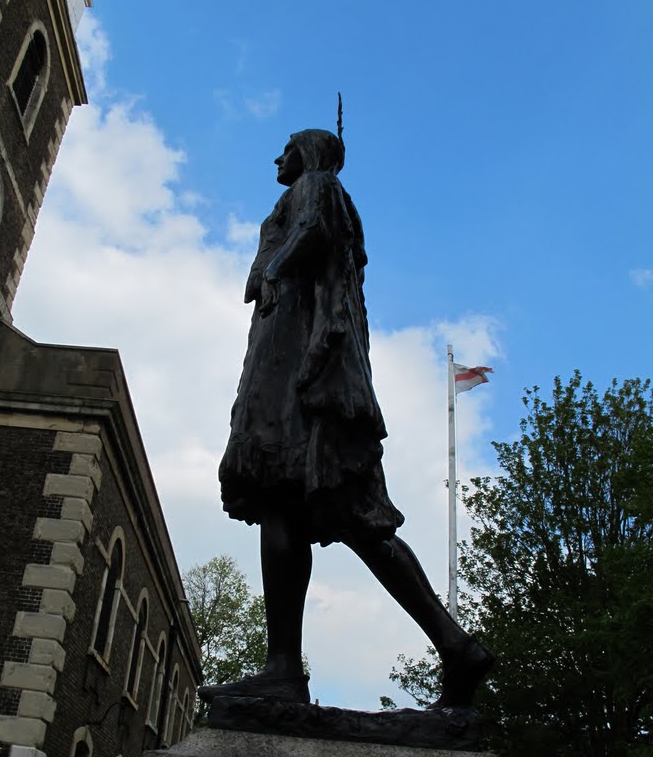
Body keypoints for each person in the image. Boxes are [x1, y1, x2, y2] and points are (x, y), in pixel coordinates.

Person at [200, 128, 493, 709]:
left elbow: (309, 236)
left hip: (304, 382)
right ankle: (287, 666)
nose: (276, 157)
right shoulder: (308, 191)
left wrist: (277, 269)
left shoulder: (315, 185)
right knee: (286, 507)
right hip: (286, 376)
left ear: (307, 153)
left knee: (354, 516)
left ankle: (449, 645)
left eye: (286, 146)